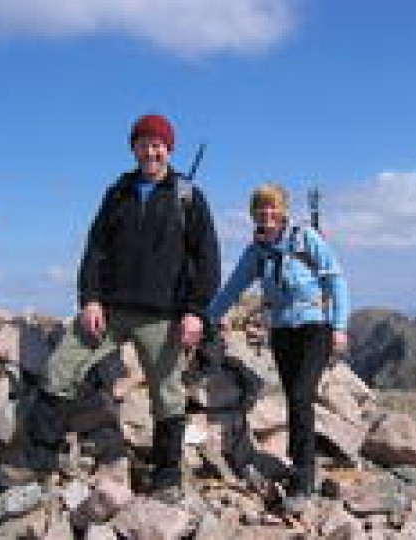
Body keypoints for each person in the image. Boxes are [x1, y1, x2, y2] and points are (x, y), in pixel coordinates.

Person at [33, 114, 220, 499]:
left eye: (158, 144)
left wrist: (196, 312)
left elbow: (208, 259)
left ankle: (167, 476)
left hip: (163, 315)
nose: (151, 151)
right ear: (134, 148)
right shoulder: (117, 193)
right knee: (59, 369)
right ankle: (39, 460)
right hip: (111, 311)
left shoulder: (188, 197)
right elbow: (95, 250)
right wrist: (89, 300)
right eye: (143, 143)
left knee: (167, 394)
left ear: (169, 149)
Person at [206, 183, 349, 513]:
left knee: (301, 397)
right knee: (295, 400)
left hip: (316, 327)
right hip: (282, 331)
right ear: (253, 214)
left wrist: (339, 326)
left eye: (273, 208)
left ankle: (302, 481)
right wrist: (206, 317)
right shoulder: (255, 252)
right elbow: (232, 288)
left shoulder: (305, 239)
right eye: (260, 209)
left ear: (283, 211)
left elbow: (335, 279)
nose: (267, 215)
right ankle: (302, 468)